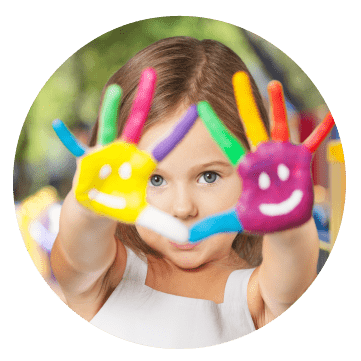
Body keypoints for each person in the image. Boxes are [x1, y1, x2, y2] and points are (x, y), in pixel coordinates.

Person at [50, 37, 319, 348]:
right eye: (155, 180)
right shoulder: (104, 278)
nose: (182, 208)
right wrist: (88, 208)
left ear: (251, 179)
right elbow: (77, 250)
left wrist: (287, 220)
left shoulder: (259, 300)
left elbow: (293, 274)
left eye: (208, 176)